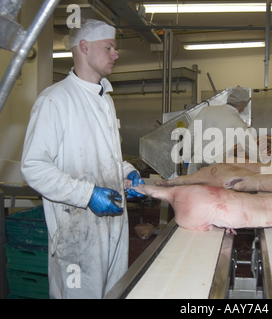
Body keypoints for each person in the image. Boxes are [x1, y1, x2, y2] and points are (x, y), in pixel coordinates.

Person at [21, 19, 144, 299]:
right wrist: (88, 194)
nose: (116, 54)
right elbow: (34, 167)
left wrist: (127, 171)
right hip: (77, 234)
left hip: (113, 229)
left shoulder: (104, 98)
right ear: (85, 47)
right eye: (109, 47)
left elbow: (103, 153)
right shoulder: (55, 100)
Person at [181, 86, 259, 174]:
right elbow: (252, 150)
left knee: (191, 187)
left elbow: (189, 134)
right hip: (214, 167)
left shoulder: (206, 111)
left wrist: (186, 157)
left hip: (196, 161)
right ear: (241, 105)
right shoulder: (239, 124)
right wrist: (261, 164)